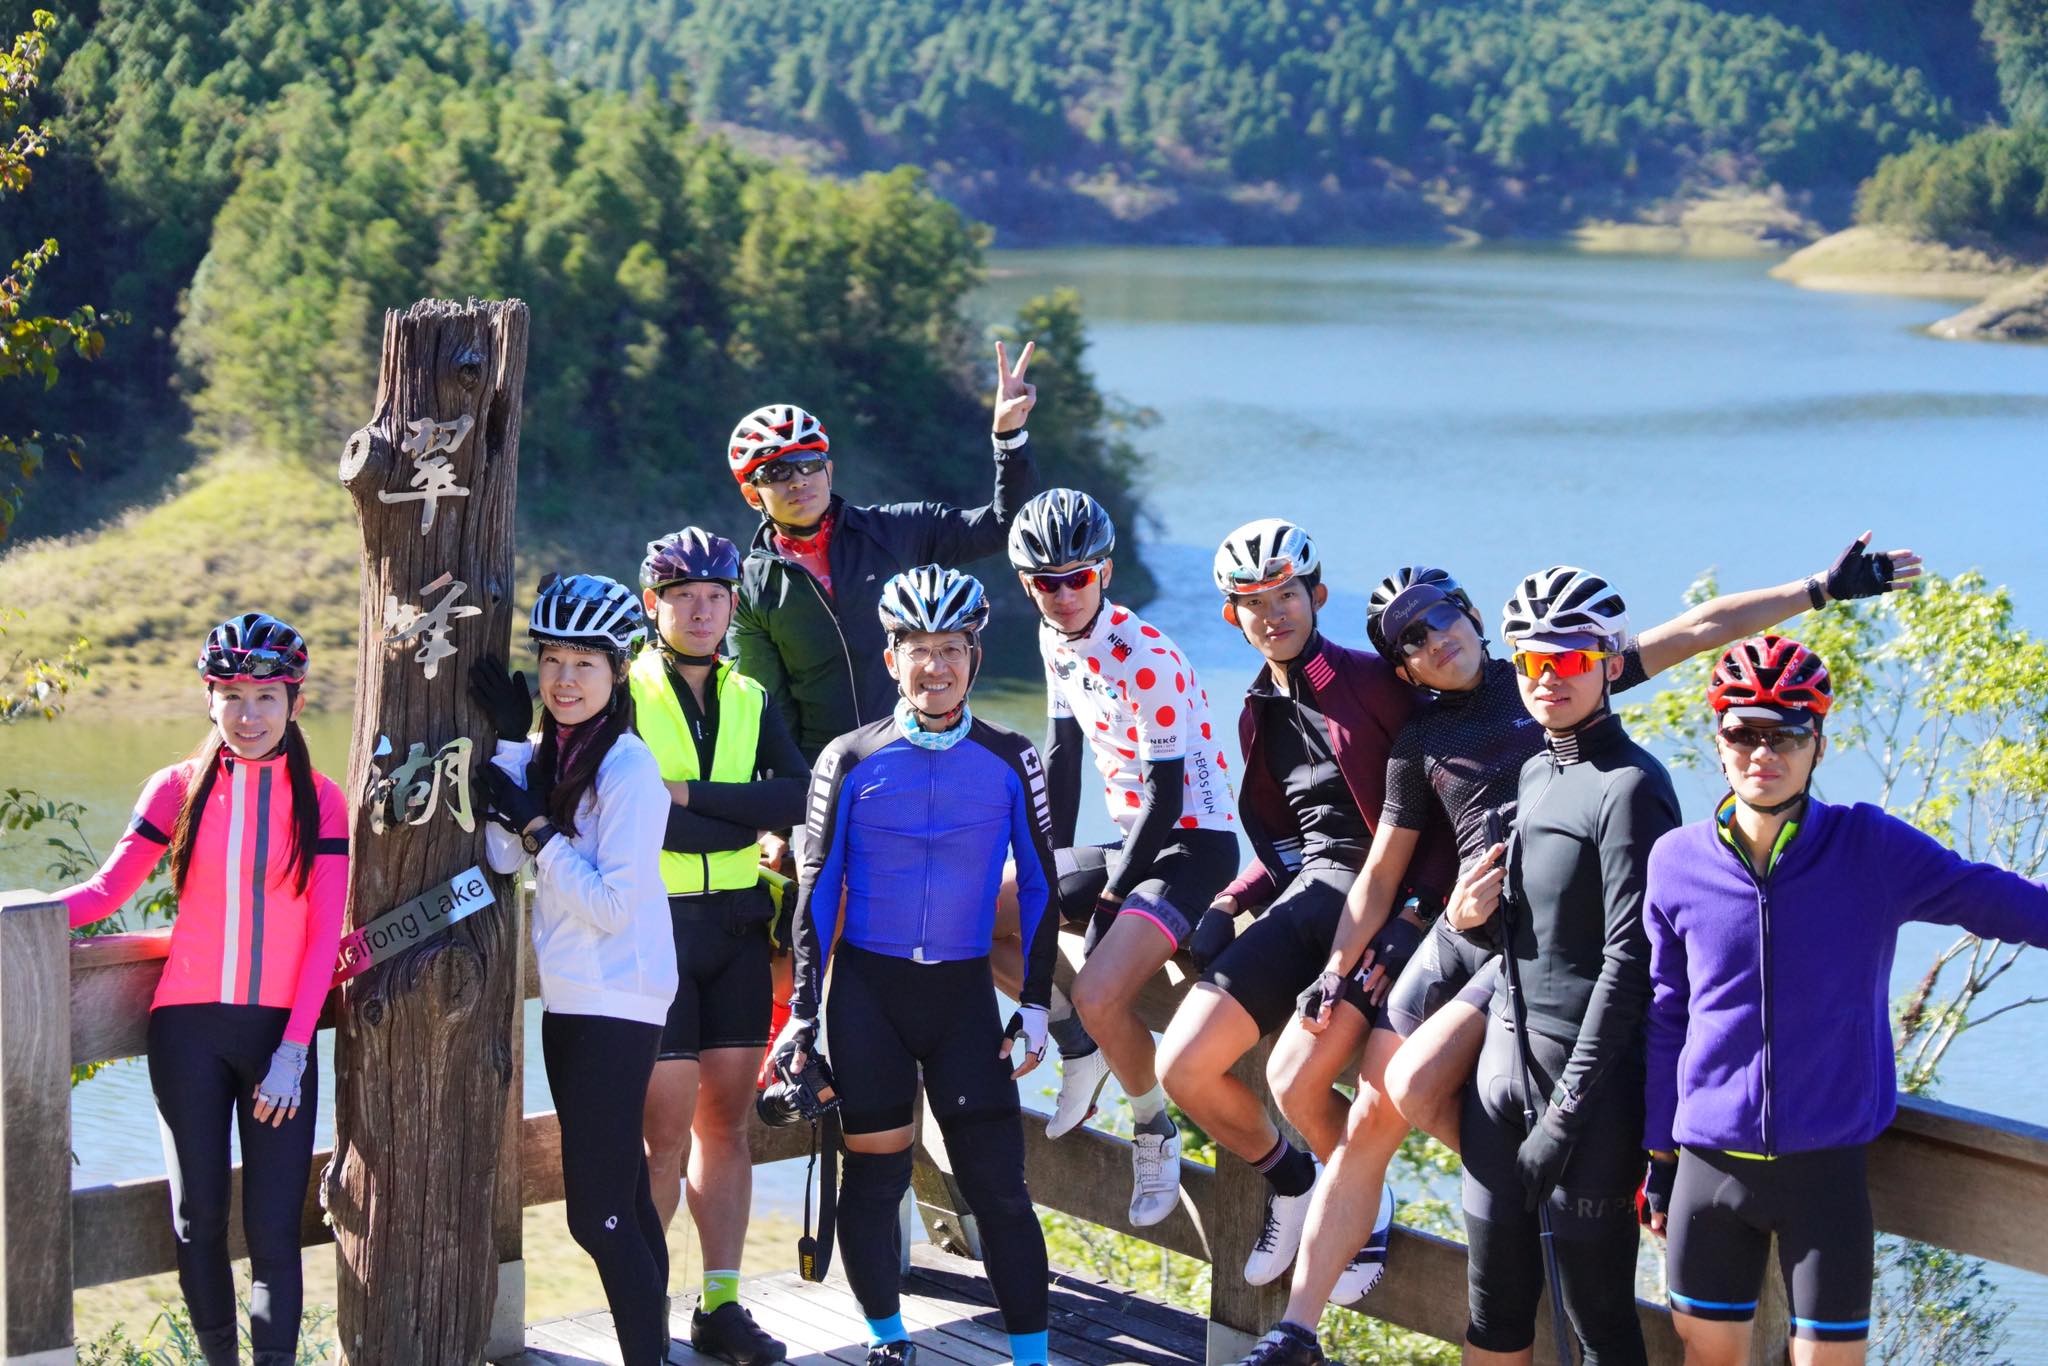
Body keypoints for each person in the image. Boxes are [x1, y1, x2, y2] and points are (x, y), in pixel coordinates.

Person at [1231, 534, 1921, 1365]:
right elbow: (1379, 865)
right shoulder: (1421, 741)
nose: (1434, 639)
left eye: (1442, 617)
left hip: (1541, 949)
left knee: (1409, 1090)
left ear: (1473, 616)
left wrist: (1818, 588)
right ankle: (1302, 1321)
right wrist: (1339, 969)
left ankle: (1543, 1183)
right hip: (1468, 926)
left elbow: (1700, 628)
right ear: (1403, 667)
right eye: (1409, 640)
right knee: (1339, 1083)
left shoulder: (1554, 676)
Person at [1641, 636, 2048, 1366]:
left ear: (1818, 745)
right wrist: (1657, 1154)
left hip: (1825, 1172)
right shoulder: (1675, 862)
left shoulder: (1870, 849)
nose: (1763, 752)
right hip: (1707, 1171)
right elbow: (1669, 1012)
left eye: (1787, 734)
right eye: (1743, 732)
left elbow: (1998, 901)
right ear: (1719, 738)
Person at [1156, 518, 1457, 1294]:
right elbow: (1293, 847)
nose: (1273, 613)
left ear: (1316, 594)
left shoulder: (1377, 683)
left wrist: (1412, 919)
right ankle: (1298, 1181)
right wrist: (1230, 899)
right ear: (1233, 615)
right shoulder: (1259, 708)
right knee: (1182, 1066)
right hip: (1310, 898)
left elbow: (1449, 815)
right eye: (1252, 601)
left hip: (1384, 907)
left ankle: (1361, 1196)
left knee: (1296, 1077)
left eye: (1286, 594)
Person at [774, 566, 1060, 1366]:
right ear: (891, 655)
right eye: (918, 649)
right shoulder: (850, 757)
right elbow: (816, 892)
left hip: (966, 999)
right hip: (870, 996)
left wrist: (1033, 1004)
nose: (936, 667)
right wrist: (802, 1013)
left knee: (1000, 1189)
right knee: (876, 1179)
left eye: (952, 649)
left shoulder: (1011, 758)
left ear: (975, 654)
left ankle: (1033, 1356)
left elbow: (1040, 887)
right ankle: (886, 1338)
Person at [50, 613, 347, 1366]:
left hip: (276, 1040)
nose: (248, 716)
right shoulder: (174, 788)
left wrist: (292, 1052)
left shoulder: (323, 801)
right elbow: (104, 892)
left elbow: (323, 940)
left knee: (276, 1229)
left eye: (266, 699)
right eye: (232, 696)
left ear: (295, 702)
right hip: (185, 1033)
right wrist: (27, 918)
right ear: (209, 698)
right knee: (200, 1218)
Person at [1455, 566, 1681, 1366]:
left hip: (1585, 1099)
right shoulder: (1532, 772)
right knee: (1494, 1313)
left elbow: (1632, 962)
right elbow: (1532, 943)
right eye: (1530, 661)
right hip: (1499, 1078)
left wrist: (1563, 1118)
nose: (1548, 678)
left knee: (1601, 1325)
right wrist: (1467, 921)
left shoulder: (1633, 789)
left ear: (1611, 663)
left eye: (1570, 659)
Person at [997, 489, 1238, 1229]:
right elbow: (1062, 757)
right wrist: (1042, 863)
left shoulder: (1148, 660)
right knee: (979, 910)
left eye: (1078, 577)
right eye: (1046, 581)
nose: (1064, 594)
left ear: (1104, 571)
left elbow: (1167, 803)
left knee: (1104, 989)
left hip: (1193, 844)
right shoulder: (1054, 638)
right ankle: (1077, 1044)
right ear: (1027, 585)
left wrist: (1105, 904)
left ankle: (1153, 1128)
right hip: (1135, 838)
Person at [474, 574, 678, 1366]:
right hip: (572, 996)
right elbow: (498, 854)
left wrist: (534, 826)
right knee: (623, 1194)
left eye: (585, 664)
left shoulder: (628, 770)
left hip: (618, 992)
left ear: (618, 671)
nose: (563, 679)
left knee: (595, 1218)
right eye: (552, 659)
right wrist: (505, 749)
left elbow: (612, 905)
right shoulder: (546, 754)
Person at [628, 529, 807, 1364]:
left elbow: (795, 796)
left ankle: (721, 1307)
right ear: (652, 604)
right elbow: (634, 812)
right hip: (656, 930)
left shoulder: (751, 695)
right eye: (683, 597)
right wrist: (732, 810)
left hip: (738, 930)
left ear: (734, 604)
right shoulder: (620, 689)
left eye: (715, 597)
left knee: (726, 1129)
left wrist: (690, 794)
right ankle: (646, 1311)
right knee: (662, 1134)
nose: (701, 611)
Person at [729, 342, 1039, 765]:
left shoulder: (892, 531)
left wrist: (1009, 437)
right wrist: (784, 811)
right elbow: (765, 709)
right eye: (776, 472)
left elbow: (1005, 527)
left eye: (808, 463)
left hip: (916, 756)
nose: (798, 480)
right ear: (752, 494)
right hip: (824, 775)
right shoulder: (748, 588)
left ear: (829, 470)